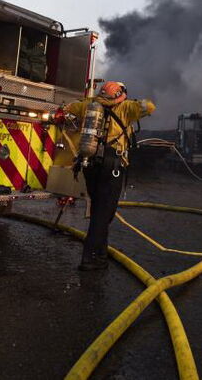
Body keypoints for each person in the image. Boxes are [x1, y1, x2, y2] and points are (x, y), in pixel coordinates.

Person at [56, 81, 155, 271]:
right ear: (120, 94)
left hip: (89, 164)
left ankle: (101, 254)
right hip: (112, 167)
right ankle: (90, 258)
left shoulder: (88, 105)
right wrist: (129, 100)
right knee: (103, 214)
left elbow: (67, 109)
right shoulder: (126, 107)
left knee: (99, 210)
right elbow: (150, 106)